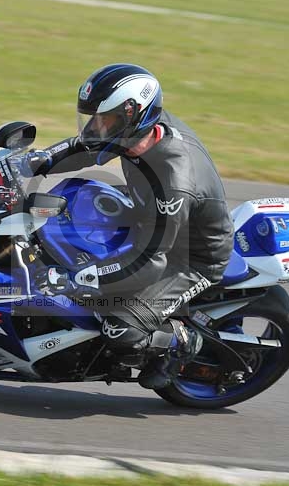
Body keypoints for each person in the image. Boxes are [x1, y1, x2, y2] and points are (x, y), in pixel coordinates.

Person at [25, 63, 234, 389]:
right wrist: (36, 161)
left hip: (190, 259)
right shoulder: (142, 128)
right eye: (93, 118)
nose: (96, 126)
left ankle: (181, 342)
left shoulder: (173, 181)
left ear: (132, 116)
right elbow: (89, 147)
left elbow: (151, 261)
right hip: (148, 217)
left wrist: (85, 277)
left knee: (120, 327)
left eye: (103, 120)